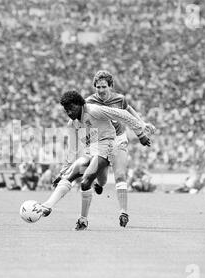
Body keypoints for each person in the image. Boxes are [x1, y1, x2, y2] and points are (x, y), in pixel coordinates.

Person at [35, 90, 151, 230]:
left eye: (71, 108)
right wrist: (62, 172)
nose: (69, 112)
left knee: (86, 180)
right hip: (92, 150)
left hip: (108, 145)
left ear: (80, 104)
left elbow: (124, 114)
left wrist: (140, 133)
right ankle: (47, 206)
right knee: (71, 174)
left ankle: (83, 220)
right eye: (66, 110)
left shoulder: (94, 110)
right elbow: (72, 150)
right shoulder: (72, 124)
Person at [84, 70, 156, 227]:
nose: (101, 90)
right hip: (101, 142)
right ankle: (100, 184)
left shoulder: (119, 99)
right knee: (102, 179)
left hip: (118, 139)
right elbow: (85, 121)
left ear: (110, 86)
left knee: (120, 175)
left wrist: (142, 124)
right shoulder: (89, 102)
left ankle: (123, 212)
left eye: (104, 86)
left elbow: (128, 110)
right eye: (98, 87)